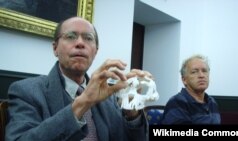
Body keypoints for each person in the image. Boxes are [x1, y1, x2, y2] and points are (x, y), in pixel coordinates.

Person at [5, 16, 150, 141]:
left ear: (95, 51)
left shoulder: (110, 97)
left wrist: (131, 112)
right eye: (70, 36)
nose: (80, 43)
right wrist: (84, 102)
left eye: (88, 38)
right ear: (55, 48)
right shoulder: (26, 91)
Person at [161, 54, 221, 124]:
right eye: (194, 72)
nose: (201, 75)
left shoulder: (212, 102)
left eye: (204, 71)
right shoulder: (177, 102)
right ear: (184, 80)